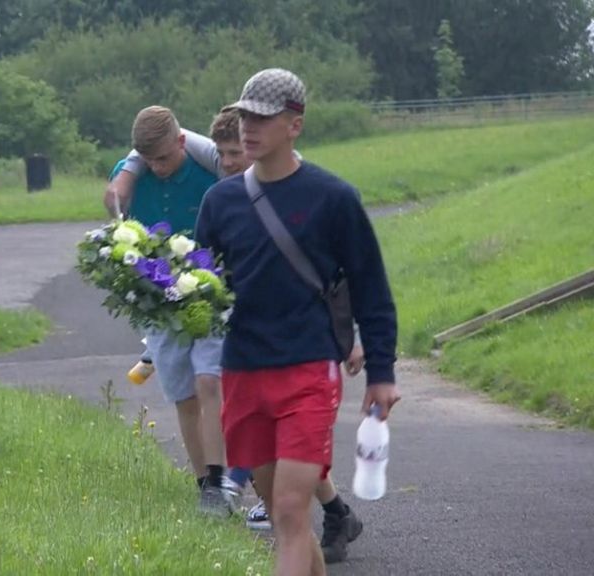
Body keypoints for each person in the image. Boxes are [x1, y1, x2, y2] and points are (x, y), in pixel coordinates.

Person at [115, 109, 367, 563]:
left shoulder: (283, 188)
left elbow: (340, 269)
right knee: (256, 437)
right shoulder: (222, 194)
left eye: (237, 153)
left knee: (262, 437)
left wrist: (358, 339)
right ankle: (326, 508)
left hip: (291, 343)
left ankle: (266, 495)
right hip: (228, 322)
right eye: (226, 154)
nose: (230, 162)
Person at [195, 69, 400, 576]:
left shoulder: (333, 198)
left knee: (287, 510)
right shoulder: (219, 202)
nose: (249, 127)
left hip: (308, 371)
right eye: (244, 115)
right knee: (292, 523)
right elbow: (197, 282)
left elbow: (371, 287)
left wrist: (381, 371)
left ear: (295, 125)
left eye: (263, 117)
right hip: (242, 370)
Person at [103, 105, 231, 517]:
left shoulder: (207, 171)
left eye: (164, 158)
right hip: (160, 302)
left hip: (210, 293)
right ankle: (203, 485)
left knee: (210, 380)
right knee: (183, 394)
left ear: (180, 142)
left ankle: (218, 477)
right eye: (149, 160)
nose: (158, 167)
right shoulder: (133, 178)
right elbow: (116, 205)